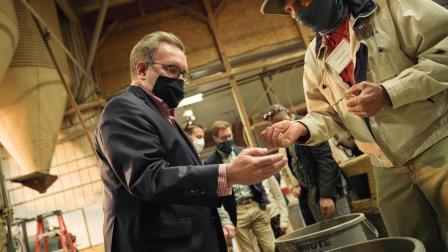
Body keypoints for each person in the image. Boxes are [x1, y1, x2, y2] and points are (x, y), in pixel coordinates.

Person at [260, 0, 448, 250]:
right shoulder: (316, 56)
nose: (296, 13)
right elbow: (325, 112)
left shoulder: (389, 8)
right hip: (386, 166)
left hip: (436, 142)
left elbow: (443, 54)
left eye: (299, 2)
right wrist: (304, 128)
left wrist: (389, 92)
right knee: (413, 244)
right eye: (289, 9)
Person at [95, 31, 287, 252]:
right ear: (141, 70)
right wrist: (228, 173)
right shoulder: (123, 109)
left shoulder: (164, 116)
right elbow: (148, 177)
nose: (178, 80)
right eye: (171, 69)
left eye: (183, 74)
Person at [264, 104, 351, 223]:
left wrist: (327, 195)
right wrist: (295, 186)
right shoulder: (285, 135)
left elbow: (325, 160)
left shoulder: (307, 127)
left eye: (283, 122)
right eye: (277, 126)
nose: (281, 128)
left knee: (345, 232)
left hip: (328, 189)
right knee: (327, 237)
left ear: (289, 114)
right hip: (310, 192)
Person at [206, 120, 276, 252]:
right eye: (223, 138)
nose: (227, 140)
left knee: (270, 247)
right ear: (215, 138)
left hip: (255, 205)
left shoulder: (243, 152)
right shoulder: (211, 162)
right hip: (236, 211)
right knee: (248, 250)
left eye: (229, 136)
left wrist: (262, 201)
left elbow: (258, 177)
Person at [183, 123, 236, 245]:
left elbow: (212, 193)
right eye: (198, 137)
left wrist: (225, 220)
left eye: (202, 137)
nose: (201, 141)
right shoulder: (179, 164)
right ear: (187, 137)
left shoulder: (200, 163)